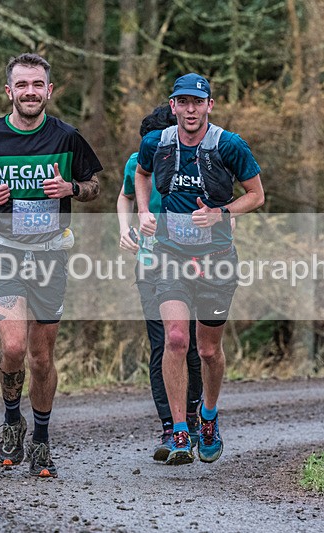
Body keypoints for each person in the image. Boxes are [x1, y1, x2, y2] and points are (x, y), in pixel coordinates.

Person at [0, 53, 102, 478]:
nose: (30, 92)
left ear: (49, 90)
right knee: (14, 348)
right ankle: (10, 422)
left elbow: (94, 184)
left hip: (50, 254)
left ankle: (40, 438)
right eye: (22, 85)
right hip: (3, 250)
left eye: (37, 85)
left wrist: (71, 187)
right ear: (9, 92)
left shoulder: (67, 137)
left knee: (41, 358)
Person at [134, 73, 264, 465]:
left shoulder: (229, 145)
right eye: (183, 102)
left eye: (197, 102)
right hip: (170, 257)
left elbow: (256, 195)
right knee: (176, 339)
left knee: (208, 350)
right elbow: (140, 174)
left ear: (210, 105)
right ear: (172, 106)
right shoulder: (156, 142)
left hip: (216, 261)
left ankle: (208, 415)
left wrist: (221, 213)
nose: (190, 110)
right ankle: (179, 430)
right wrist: (143, 212)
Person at [117, 105, 203, 462]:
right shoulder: (136, 163)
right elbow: (124, 196)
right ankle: (171, 426)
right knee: (163, 343)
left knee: (192, 345)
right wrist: (125, 229)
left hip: (193, 263)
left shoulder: (198, 161)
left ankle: (195, 419)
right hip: (150, 265)